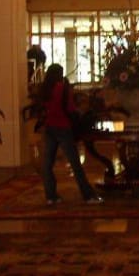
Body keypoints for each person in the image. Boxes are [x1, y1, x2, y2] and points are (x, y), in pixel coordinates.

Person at [39, 63, 103, 205]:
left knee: (48, 164)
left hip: (50, 127)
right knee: (75, 164)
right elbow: (70, 108)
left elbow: (44, 108)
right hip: (63, 128)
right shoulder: (62, 88)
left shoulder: (45, 89)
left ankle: (51, 196)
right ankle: (88, 195)